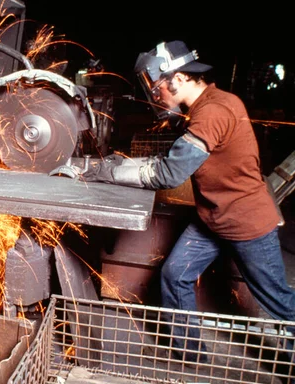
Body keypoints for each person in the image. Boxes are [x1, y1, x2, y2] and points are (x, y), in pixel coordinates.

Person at [79, 40, 295, 364]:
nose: (156, 97)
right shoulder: (208, 105)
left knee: (278, 301)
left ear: (177, 79)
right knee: (175, 274)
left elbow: (169, 173)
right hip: (213, 217)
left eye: (157, 89)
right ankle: (192, 356)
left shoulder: (213, 112)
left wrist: (108, 171)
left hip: (245, 221)